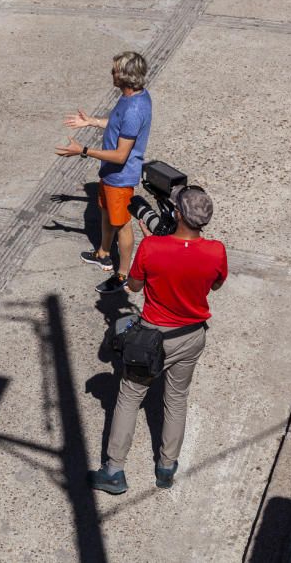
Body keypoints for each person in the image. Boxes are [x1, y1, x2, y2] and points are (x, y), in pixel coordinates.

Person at [89, 185, 227, 494]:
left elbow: (134, 287)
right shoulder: (216, 250)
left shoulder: (152, 247)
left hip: (152, 339)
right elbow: (215, 285)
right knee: (176, 398)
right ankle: (166, 467)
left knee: (129, 397)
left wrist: (152, 242)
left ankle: (114, 471)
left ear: (177, 214)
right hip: (192, 336)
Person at [56, 51, 152, 294]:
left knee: (122, 225)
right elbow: (116, 122)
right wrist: (92, 122)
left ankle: (123, 275)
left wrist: (83, 150)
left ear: (125, 76)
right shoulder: (130, 98)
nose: (111, 73)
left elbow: (121, 155)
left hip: (120, 177)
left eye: (114, 70)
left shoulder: (134, 109)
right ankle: (103, 254)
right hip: (109, 173)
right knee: (106, 212)